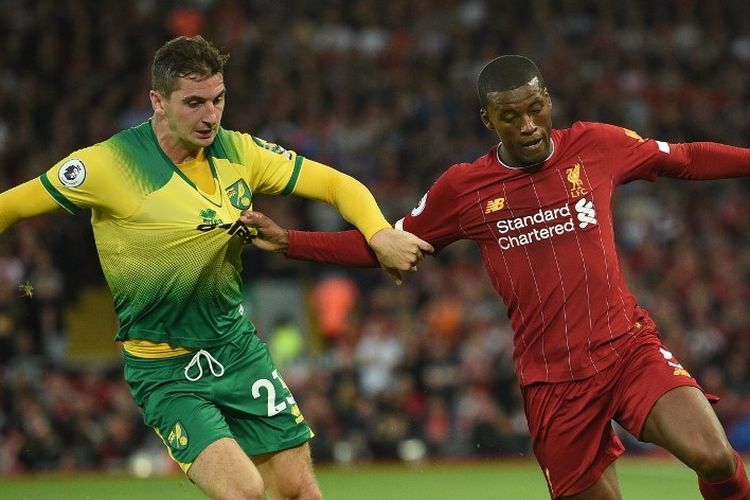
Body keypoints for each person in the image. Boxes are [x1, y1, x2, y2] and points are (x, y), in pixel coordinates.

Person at [242, 55, 750, 499]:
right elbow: (383, 246)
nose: (528, 125)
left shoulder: (597, 145)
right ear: (489, 119)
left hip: (627, 349)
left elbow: (684, 158)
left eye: (535, 109)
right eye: (510, 116)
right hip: (552, 382)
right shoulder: (465, 187)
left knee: (717, 458)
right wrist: (291, 241)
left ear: (548, 100)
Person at [0, 35, 432, 499]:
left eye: (218, 99)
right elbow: (12, 206)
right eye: (194, 102)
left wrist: (379, 231)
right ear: (158, 102)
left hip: (236, 348)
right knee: (244, 491)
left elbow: (335, 184)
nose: (210, 116)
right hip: (165, 369)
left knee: (299, 490)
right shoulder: (110, 164)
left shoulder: (239, 153)